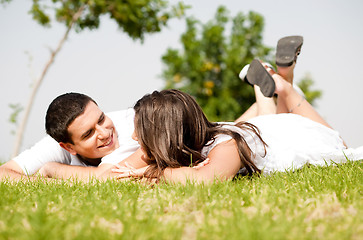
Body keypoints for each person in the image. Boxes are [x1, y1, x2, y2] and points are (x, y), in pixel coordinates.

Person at [112, 38, 363, 184]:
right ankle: (281, 82)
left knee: (341, 147)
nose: (134, 137)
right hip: (273, 127)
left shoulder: (227, 148)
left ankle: (285, 88)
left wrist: (153, 171)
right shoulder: (199, 141)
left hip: (299, 135)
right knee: (276, 113)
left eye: (139, 131)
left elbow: (205, 181)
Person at [0, 93, 146, 181]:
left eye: (101, 119)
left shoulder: (134, 126)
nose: (104, 133)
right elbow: (3, 174)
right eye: (89, 133)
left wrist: (52, 169)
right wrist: (51, 184)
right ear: (68, 147)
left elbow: (105, 177)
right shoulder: (57, 144)